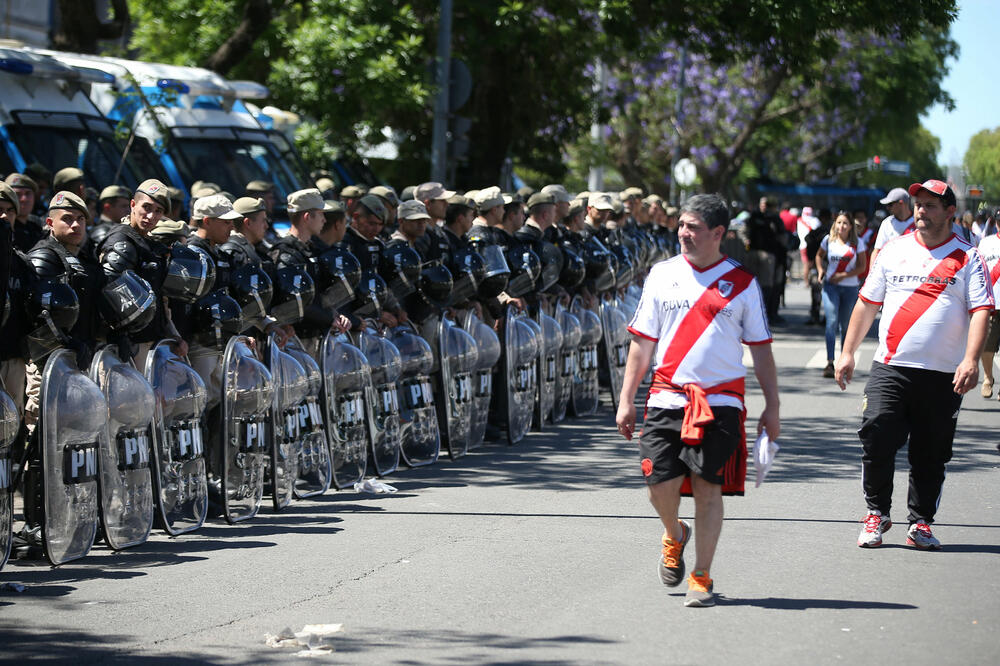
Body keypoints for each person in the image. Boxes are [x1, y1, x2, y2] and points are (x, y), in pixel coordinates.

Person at [615, 193, 780, 608]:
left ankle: (701, 575)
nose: (683, 233)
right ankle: (674, 532)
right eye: (682, 225)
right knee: (658, 483)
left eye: (692, 227)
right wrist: (626, 398)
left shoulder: (742, 283)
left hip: (720, 401)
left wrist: (772, 407)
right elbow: (641, 343)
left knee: (708, 487)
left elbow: (760, 349)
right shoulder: (661, 274)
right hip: (666, 396)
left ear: (718, 233)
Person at [835, 179, 994, 549]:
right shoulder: (893, 250)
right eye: (918, 203)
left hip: (941, 375)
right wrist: (847, 352)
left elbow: (982, 310)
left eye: (930, 205)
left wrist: (971, 360)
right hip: (890, 366)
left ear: (950, 212)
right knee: (876, 436)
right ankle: (877, 513)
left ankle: (920, 522)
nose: (921, 210)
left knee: (931, 451)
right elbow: (866, 304)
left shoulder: (968, 257)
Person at [815, 212, 867, 378]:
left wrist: (843, 276)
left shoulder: (858, 243)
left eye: (845, 223)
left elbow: (862, 267)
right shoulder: (828, 240)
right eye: (838, 223)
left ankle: (842, 362)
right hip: (830, 287)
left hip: (850, 288)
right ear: (834, 224)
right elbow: (818, 255)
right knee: (831, 322)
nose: (841, 226)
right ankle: (830, 362)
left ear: (850, 226)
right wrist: (821, 270)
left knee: (845, 325)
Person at [977, 224, 1000, 399]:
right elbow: (978, 270)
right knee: (987, 345)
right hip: (992, 303)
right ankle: (988, 376)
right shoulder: (986, 243)